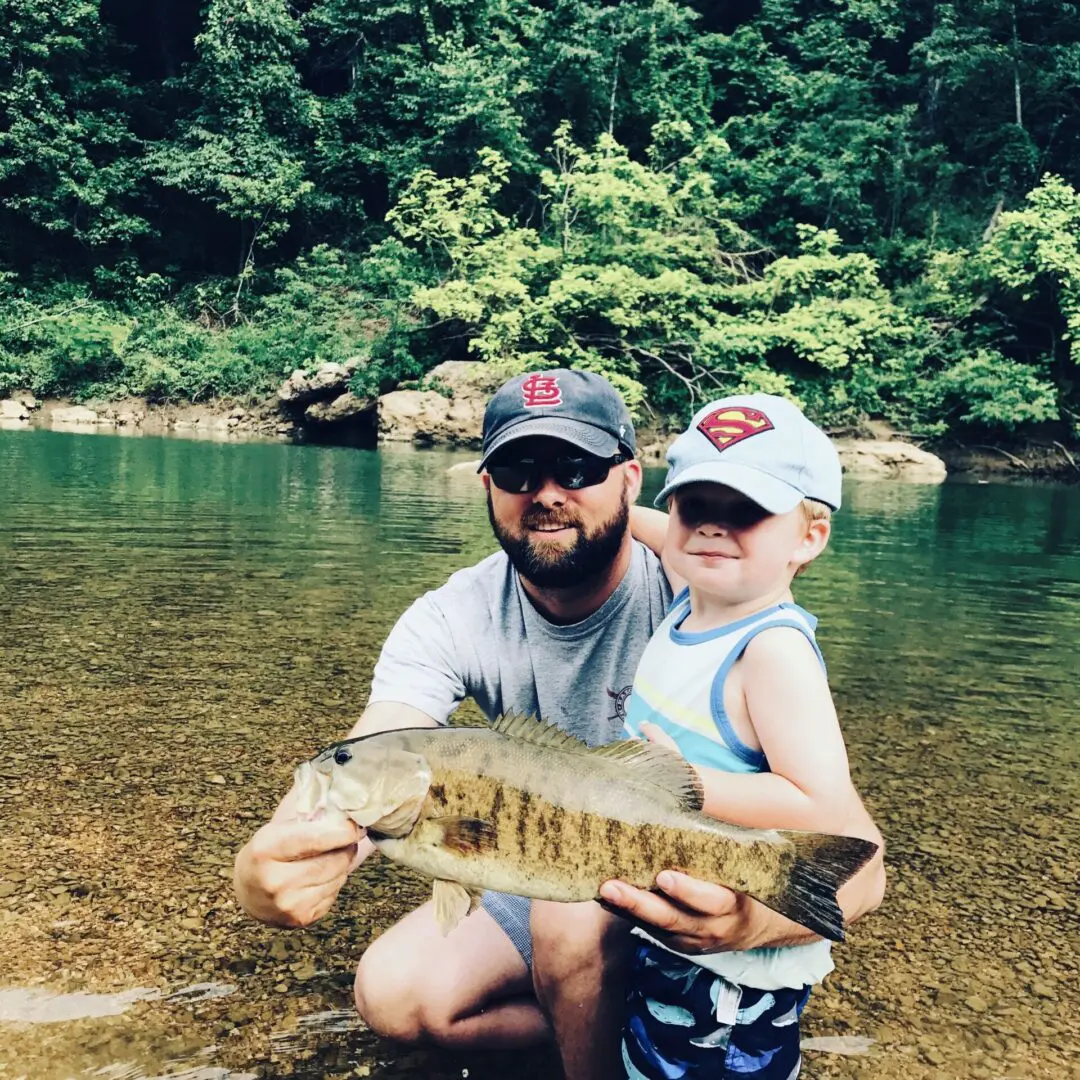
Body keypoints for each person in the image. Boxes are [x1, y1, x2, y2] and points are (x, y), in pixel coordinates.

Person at [232, 372, 886, 1080]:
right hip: (544, 852)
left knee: (568, 923)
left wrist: (746, 924)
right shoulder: (450, 618)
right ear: (486, 485)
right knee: (397, 996)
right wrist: (271, 864)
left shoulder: (707, 591)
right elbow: (384, 744)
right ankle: (604, 1018)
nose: (546, 492)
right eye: (518, 469)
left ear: (632, 480)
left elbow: (865, 870)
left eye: (578, 467)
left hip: (674, 861)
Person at [617, 393, 878, 1079]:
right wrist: (610, 509)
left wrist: (694, 785)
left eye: (745, 512)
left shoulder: (771, 650)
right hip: (679, 929)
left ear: (809, 538)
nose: (712, 528)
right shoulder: (695, 594)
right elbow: (658, 529)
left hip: (738, 965)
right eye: (694, 505)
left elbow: (818, 802)